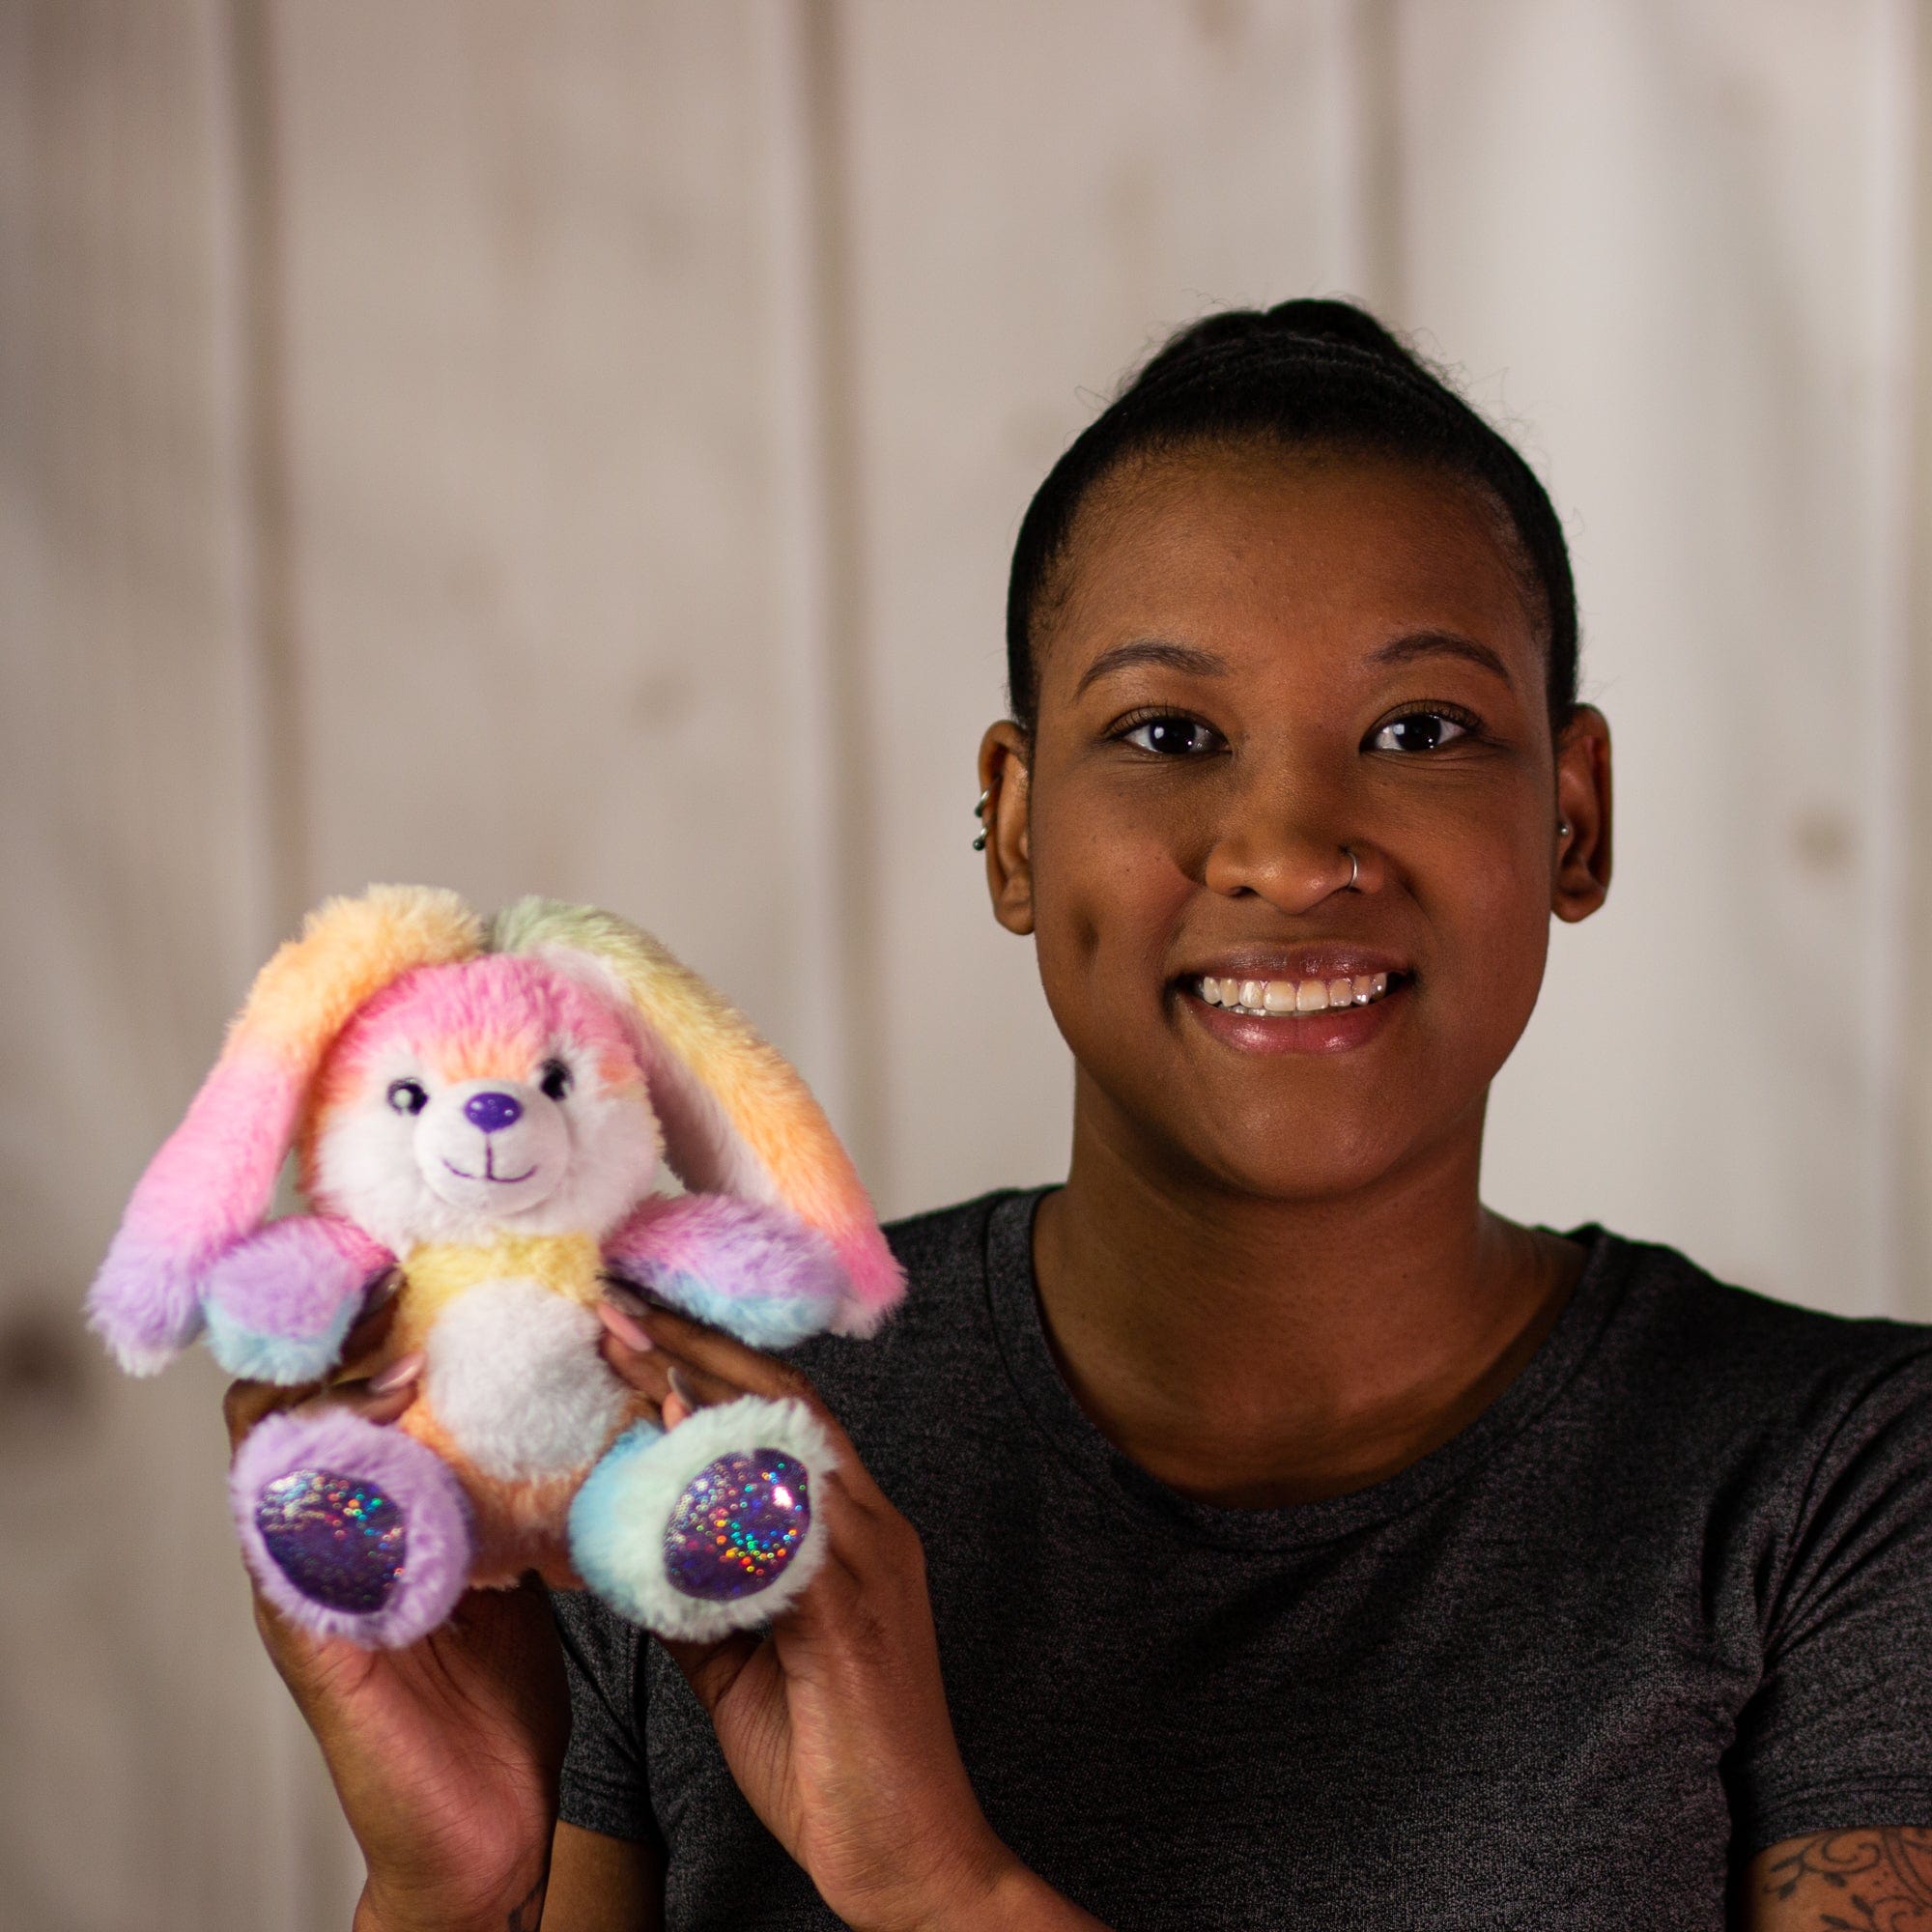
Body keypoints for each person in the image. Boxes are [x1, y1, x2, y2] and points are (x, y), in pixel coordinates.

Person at [224, 301, 1932, 1931]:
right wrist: (453, 1890)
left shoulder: (1840, 1488)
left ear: (1573, 818)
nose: (1285, 845)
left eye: (1420, 728)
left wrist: (941, 1894)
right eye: (1170, 732)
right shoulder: (697, 1439)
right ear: (1019, 828)